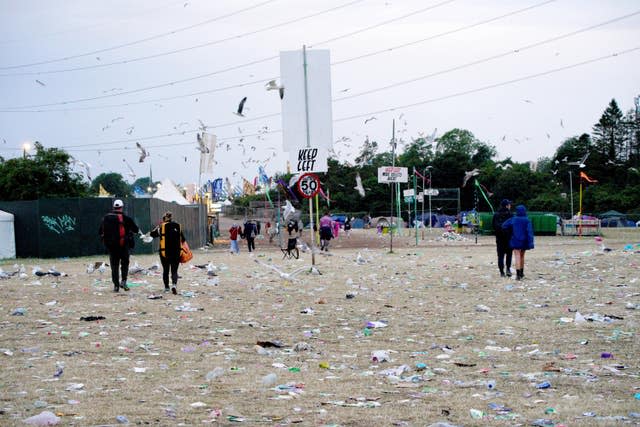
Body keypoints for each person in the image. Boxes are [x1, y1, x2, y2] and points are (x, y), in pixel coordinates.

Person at [98, 199, 139, 292]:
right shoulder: (126, 218)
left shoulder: (106, 218)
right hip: (123, 245)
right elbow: (136, 230)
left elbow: (100, 231)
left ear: (114, 207)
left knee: (114, 266)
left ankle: (116, 286)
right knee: (124, 264)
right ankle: (123, 281)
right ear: (121, 207)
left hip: (111, 247)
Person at [149, 211, 185, 294]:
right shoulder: (177, 226)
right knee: (174, 270)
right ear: (171, 217)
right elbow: (183, 239)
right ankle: (174, 285)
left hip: (165, 252)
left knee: (166, 270)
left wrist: (156, 229)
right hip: (176, 252)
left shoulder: (161, 227)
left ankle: (166, 287)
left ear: (164, 218)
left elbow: (152, 234)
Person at [502, 204, 534, 280]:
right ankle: (522, 273)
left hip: (515, 240)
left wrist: (510, 234)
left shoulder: (513, 219)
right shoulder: (527, 220)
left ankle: (518, 275)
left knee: (517, 257)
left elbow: (504, 226)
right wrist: (531, 242)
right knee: (522, 256)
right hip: (525, 241)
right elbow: (530, 232)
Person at [492, 199, 513, 277]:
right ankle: (508, 269)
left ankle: (501, 272)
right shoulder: (510, 215)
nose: (510, 206)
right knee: (509, 255)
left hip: (500, 238)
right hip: (509, 238)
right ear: (507, 206)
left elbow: (494, 226)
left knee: (500, 256)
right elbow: (512, 226)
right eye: (509, 205)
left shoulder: (496, 214)